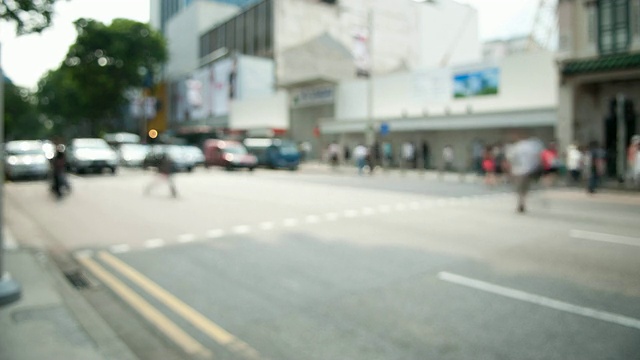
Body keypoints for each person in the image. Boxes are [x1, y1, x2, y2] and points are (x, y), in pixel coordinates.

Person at [507, 132, 544, 213]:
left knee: (519, 188)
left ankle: (520, 202)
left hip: (517, 170)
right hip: (528, 170)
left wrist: (510, 170)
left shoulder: (516, 147)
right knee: (525, 188)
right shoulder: (531, 147)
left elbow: (510, 159)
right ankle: (523, 201)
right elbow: (537, 157)